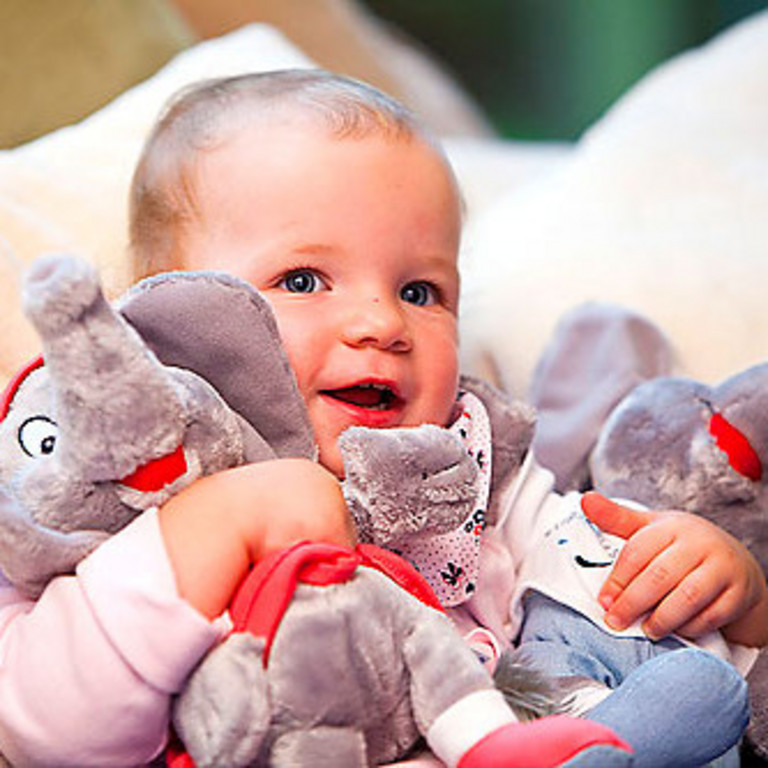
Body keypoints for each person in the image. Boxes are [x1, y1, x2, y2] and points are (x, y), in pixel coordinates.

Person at [0, 69, 765, 766]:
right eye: (303, 279)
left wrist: (728, 599)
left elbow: (616, 627)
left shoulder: (475, 466)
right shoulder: (115, 477)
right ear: (164, 314)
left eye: (421, 291)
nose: (380, 321)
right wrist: (211, 526)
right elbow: (41, 729)